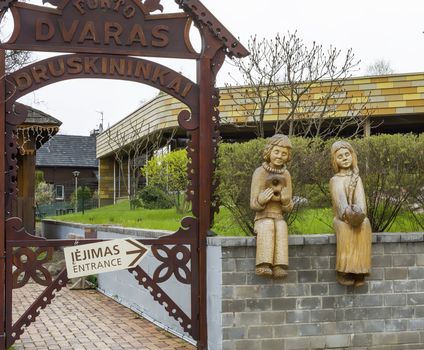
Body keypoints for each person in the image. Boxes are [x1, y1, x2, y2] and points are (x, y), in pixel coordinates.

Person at [250, 134, 294, 278]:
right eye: (276, 152)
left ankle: (280, 266)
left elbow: (288, 208)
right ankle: (263, 264)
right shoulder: (260, 172)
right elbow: (253, 204)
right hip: (262, 218)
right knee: (268, 225)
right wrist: (261, 200)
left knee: (281, 226)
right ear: (269, 152)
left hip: (278, 216)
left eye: (284, 153)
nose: (279, 156)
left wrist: (286, 201)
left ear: (288, 156)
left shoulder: (286, 175)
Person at [329, 141, 372, 287]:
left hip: (357, 217)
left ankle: (360, 270)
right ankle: (345, 271)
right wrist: (348, 214)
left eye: (347, 154)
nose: (345, 158)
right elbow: (340, 204)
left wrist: (359, 214)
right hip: (342, 219)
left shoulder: (357, 178)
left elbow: (361, 202)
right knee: (345, 229)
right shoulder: (335, 180)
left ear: (352, 156)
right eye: (340, 156)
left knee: (365, 225)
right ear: (335, 160)